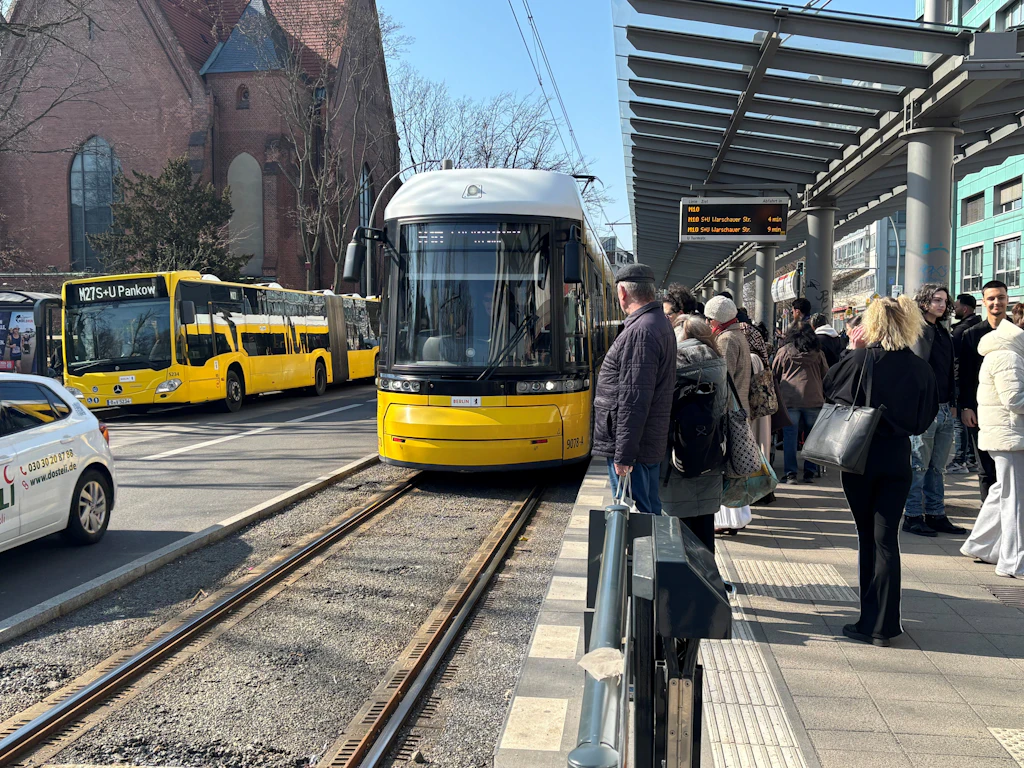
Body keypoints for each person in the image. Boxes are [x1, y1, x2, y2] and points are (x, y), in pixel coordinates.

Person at [823, 296, 938, 646]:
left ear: (871, 324)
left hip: (859, 457)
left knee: (866, 538)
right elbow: (925, 418)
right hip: (898, 458)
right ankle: (886, 625)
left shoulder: (859, 359)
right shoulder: (920, 367)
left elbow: (829, 389)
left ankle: (867, 620)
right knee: (887, 540)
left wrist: (850, 350)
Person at [592, 263, 676, 514]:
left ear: (622, 292)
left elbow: (633, 399)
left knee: (638, 515)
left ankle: (640, 554)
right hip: (646, 442)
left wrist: (624, 456)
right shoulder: (657, 323)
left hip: (635, 449)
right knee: (648, 508)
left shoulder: (640, 331)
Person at [960, 311, 1024, 578]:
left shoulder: (1002, 352)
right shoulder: (1009, 356)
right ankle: (1014, 562)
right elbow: (1015, 400)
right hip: (1010, 436)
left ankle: (982, 545)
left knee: (1003, 492)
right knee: (1015, 500)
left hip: (1006, 435)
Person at [661, 315, 728, 550]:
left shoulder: (670, 365)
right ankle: (709, 580)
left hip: (674, 460)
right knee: (704, 528)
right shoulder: (719, 364)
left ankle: (685, 582)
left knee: (678, 533)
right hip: (711, 455)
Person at [903, 284, 965, 537]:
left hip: (943, 407)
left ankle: (936, 513)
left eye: (944, 300)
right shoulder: (916, 331)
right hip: (924, 409)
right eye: (935, 300)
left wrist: (952, 405)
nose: (940, 304)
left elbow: (950, 370)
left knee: (937, 467)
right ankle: (913, 515)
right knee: (918, 465)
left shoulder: (942, 331)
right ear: (924, 302)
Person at [704, 294, 753, 531]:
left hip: (729, 410)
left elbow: (722, 379)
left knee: (727, 467)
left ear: (716, 320)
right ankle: (735, 517)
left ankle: (727, 520)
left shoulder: (726, 340)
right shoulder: (739, 334)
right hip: (740, 407)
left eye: (708, 319)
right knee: (735, 466)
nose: (707, 323)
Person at [959, 281, 1009, 502]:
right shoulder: (971, 334)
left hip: (1012, 410)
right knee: (986, 469)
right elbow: (964, 375)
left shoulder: (1017, 333)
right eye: (991, 298)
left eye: (1000, 297)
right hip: (981, 411)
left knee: (1010, 469)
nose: (996, 302)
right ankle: (987, 518)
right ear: (984, 302)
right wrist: (966, 406)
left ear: (1007, 299)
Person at [772, 322, 829, 484]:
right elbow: (826, 374)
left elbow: (774, 373)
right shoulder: (818, 353)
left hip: (789, 400)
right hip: (814, 399)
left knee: (790, 437)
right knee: (812, 437)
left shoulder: (784, 351)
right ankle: (809, 472)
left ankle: (791, 474)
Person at [948, 293, 983, 474]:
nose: (954, 309)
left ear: (965, 309)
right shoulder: (978, 326)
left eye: (956, 306)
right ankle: (970, 458)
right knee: (970, 422)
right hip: (977, 382)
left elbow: (956, 360)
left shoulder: (962, 330)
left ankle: (960, 458)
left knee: (960, 423)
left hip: (962, 382)